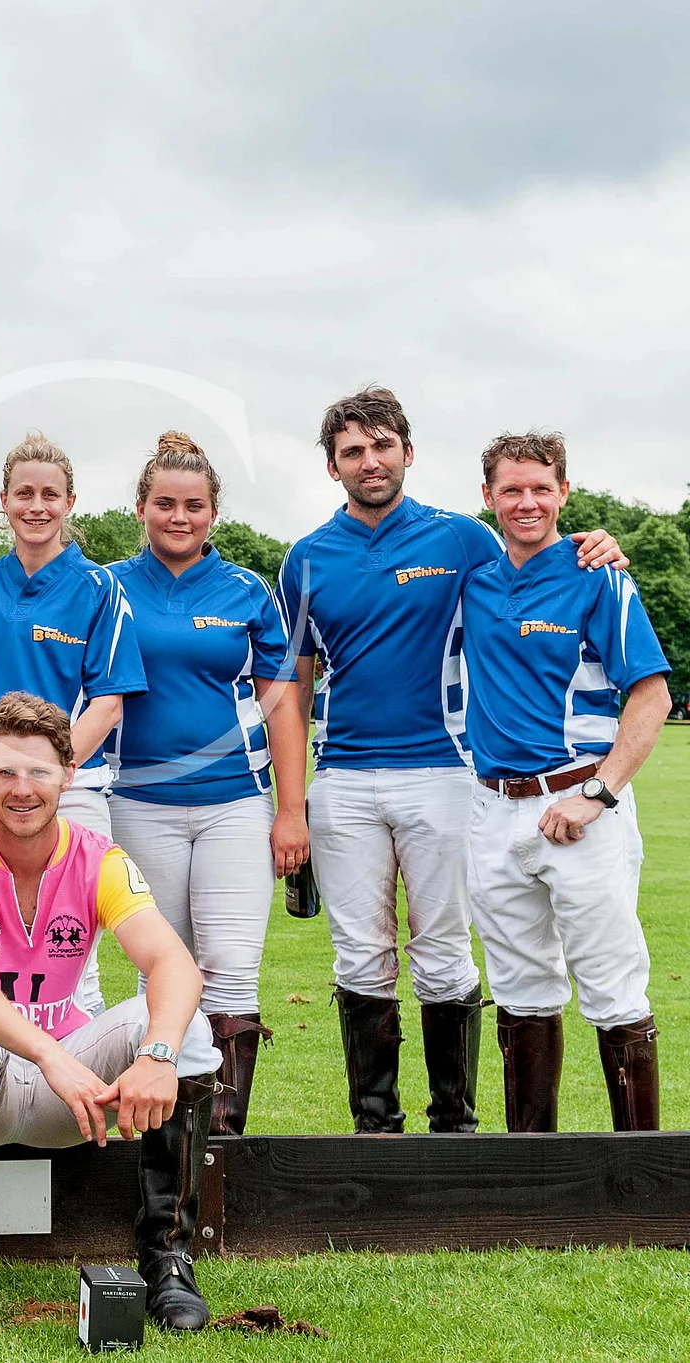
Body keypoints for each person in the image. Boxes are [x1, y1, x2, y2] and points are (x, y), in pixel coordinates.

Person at [277, 387, 623, 1134]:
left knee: (442, 950)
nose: (370, 461)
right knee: (360, 954)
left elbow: (535, 562)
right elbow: (293, 689)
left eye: (382, 446)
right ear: (333, 467)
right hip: (343, 777)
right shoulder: (305, 558)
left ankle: (453, 1128)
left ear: (408, 451)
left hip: (445, 773)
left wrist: (597, 545)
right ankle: (376, 1128)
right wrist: (292, 805)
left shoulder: (463, 538)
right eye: (352, 451)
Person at [0, 693, 222, 1332]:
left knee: (185, 1026)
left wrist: (157, 1055)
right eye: (5, 772)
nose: (22, 789)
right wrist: (48, 1053)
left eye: (38, 772)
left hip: (73, 1100)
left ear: (69, 775)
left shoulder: (100, 858)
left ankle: (167, 1256)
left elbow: (174, 963)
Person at [461, 432, 670, 1132]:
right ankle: (533, 1169)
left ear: (564, 493)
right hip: (494, 808)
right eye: (511, 490)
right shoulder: (474, 579)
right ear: (488, 496)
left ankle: (639, 1168)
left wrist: (598, 794)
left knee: (613, 987)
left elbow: (651, 697)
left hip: (580, 803)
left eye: (541, 489)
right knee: (520, 991)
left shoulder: (598, 574)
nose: (527, 503)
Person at [106, 434, 308, 1134]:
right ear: (141, 507)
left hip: (235, 805)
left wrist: (291, 810)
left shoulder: (248, 590)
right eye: (165, 503)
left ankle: (221, 1139)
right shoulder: (107, 586)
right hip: (137, 803)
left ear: (213, 512)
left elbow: (283, 707)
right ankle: (165, 1132)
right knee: (157, 968)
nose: (179, 516)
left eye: (194, 505)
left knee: (229, 969)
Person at [0, 434, 145, 1015]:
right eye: (24, 493)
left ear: (70, 502)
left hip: (72, 795)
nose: (37, 506)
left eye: (51, 494)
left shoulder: (99, 588)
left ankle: (75, 1070)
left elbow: (109, 703)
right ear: (4, 500)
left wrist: (48, 779)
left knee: (74, 964)